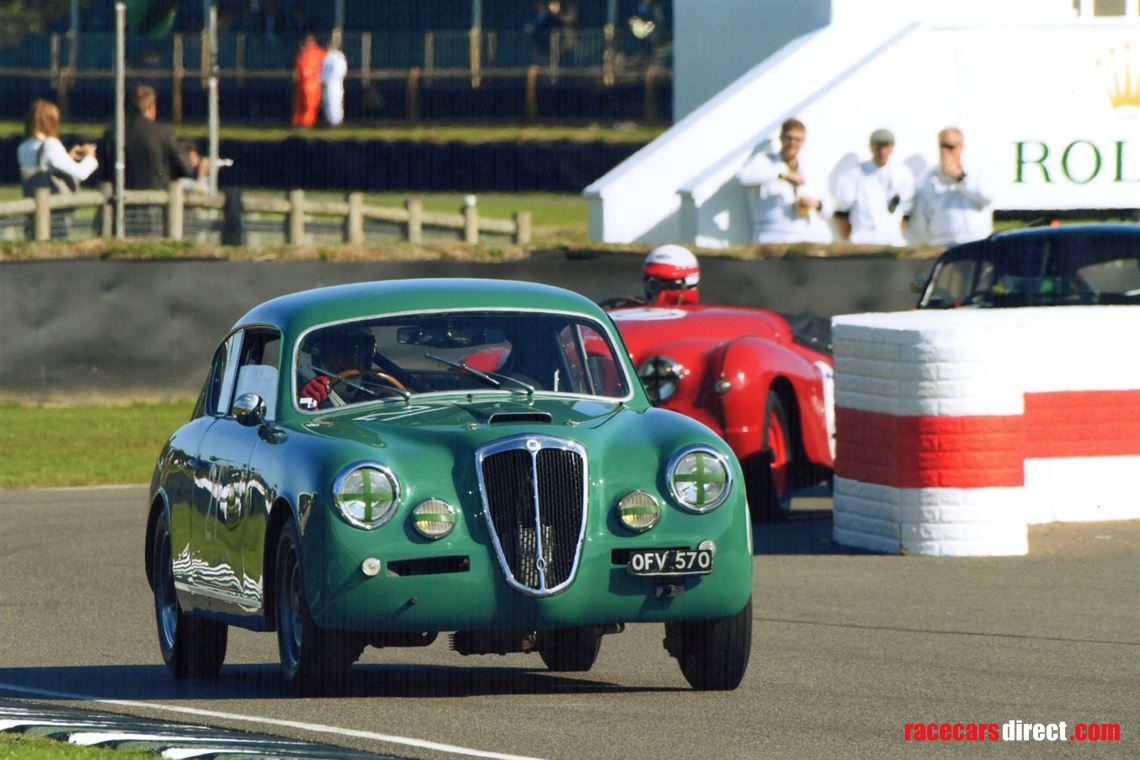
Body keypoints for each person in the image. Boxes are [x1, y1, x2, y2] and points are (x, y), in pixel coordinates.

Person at [101, 85, 204, 235]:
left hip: (121, 204)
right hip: (156, 204)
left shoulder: (113, 132)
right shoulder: (163, 132)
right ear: (152, 106)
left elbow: (104, 167)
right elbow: (185, 168)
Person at [737, 117, 830, 244]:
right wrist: (781, 175)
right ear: (781, 138)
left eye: (797, 139)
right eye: (789, 138)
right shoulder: (765, 161)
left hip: (802, 237)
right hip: (769, 236)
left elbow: (829, 207)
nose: (792, 143)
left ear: (803, 141)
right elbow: (743, 177)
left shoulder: (810, 168)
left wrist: (815, 204)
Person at [17, 99, 98, 239]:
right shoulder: (51, 145)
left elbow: (44, 166)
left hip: (33, 211)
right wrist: (90, 157)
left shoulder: (23, 147)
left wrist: (68, 156)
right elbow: (81, 173)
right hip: (55, 213)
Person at [832, 128, 914, 246]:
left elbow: (907, 212)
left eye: (886, 146)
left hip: (892, 244)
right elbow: (841, 212)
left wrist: (893, 233)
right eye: (878, 146)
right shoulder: (854, 174)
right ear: (871, 147)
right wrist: (851, 239)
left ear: (892, 148)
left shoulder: (903, 174)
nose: (882, 151)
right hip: (862, 242)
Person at [912, 126, 993, 246]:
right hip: (943, 244)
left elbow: (986, 199)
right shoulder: (929, 178)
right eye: (942, 146)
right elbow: (923, 217)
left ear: (961, 147)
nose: (945, 152)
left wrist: (959, 178)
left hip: (976, 240)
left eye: (950, 147)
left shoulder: (976, 172)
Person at [298, 327, 378, 410]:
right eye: (340, 354)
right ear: (313, 358)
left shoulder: (378, 387)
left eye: (360, 352)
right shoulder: (293, 394)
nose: (353, 360)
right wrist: (308, 402)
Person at [292, 33, 325, 128]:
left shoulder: (319, 52)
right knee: (298, 103)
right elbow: (298, 65)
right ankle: (298, 121)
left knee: (310, 103)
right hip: (301, 81)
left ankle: (307, 122)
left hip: (312, 82)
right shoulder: (302, 53)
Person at [319, 34, 348, 127]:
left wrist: (328, 80)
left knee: (335, 103)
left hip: (334, 84)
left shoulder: (339, 56)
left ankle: (336, 122)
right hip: (325, 83)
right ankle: (329, 121)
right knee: (327, 102)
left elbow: (339, 71)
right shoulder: (326, 56)